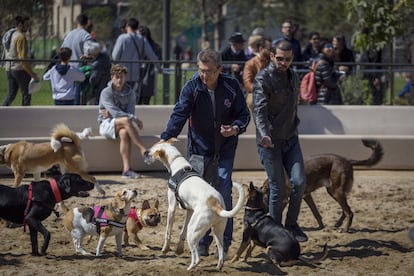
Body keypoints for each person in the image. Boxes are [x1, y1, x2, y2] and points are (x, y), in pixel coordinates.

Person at [159, 48, 250, 256]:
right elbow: (179, 112)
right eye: (201, 70)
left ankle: (224, 242)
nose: (204, 75)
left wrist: (235, 128)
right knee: (201, 196)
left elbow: (244, 115)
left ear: (219, 69)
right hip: (199, 150)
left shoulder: (231, 86)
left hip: (225, 148)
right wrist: (166, 136)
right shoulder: (192, 87)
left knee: (224, 191)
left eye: (209, 71)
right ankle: (201, 241)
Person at [252, 40, 308, 242]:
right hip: (270, 142)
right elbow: (258, 110)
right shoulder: (262, 79)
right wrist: (264, 133)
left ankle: (291, 225)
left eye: (288, 59)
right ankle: (274, 230)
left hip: (291, 138)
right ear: (272, 57)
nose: (284, 62)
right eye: (280, 58)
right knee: (277, 188)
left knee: (300, 182)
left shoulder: (293, 76)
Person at [98, 64, 149, 179]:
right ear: (112, 77)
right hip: (106, 124)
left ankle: (126, 170)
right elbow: (116, 113)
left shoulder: (130, 93)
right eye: (117, 77)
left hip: (121, 125)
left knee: (124, 133)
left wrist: (126, 116)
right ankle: (143, 150)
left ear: (125, 77)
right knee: (126, 120)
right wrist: (133, 118)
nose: (119, 80)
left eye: (122, 77)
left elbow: (128, 112)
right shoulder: (106, 92)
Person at [112, 18, 161, 99]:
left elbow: (115, 56)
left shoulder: (122, 38)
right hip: (135, 72)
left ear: (127, 26)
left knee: (120, 95)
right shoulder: (142, 39)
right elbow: (152, 55)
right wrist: (159, 67)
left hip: (121, 71)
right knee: (130, 94)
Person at [2, 15, 39, 106]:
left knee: (11, 95)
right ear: (20, 25)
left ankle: (1, 111)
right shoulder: (21, 37)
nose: (28, 27)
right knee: (26, 93)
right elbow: (22, 58)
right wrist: (32, 73)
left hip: (9, 68)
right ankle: (26, 116)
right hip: (19, 69)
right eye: (26, 25)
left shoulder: (10, 34)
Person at [61, 13, 92, 105]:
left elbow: (61, 50)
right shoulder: (86, 36)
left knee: (68, 94)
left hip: (67, 68)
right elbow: (89, 53)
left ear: (76, 22)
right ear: (86, 23)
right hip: (80, 69)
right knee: (78, 95)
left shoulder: (68, 35)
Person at [242, 36, 271, 112]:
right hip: (255, 93)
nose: (271, 51)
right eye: (269, 49)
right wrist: (260, 90)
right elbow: (247, 82)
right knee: (252, 101)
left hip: (271, 93)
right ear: (261, 49)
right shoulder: (250, 64)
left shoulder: (273, 62)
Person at [137, 25, 162, 105]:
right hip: (149, 77)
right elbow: (159, 60)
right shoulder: (156, 46)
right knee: (145, 101)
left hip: (142, 75)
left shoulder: (140, 46)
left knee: (137, 101)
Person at [314, 40, 345, 104]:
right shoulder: (323, 63)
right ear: (322, 49)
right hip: (326, 97)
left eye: (331, 46)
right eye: (328, 47)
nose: (330, 48)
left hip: (324, 96)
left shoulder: (323, 61)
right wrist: (338, 77)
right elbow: (328, 82)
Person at [81, 40, 111, 105]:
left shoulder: (96, 64)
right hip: (107, 84)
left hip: (100, 89)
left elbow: (93, 79)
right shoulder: (105, 56)